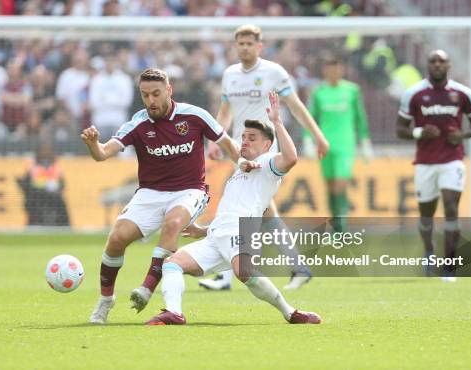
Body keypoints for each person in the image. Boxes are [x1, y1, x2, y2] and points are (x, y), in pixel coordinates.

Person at [81, 68, 240, 324]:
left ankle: (146, 288)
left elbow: (228, 144)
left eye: (156, 94)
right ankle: (105, 300)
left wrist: (245, 166)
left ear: (169, 90)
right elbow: (102, 154)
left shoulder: (195, 116)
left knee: (174, 223)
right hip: (150, 193)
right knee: (116, 239)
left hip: (190, 190)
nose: (151, 101)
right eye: (145, 95)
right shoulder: (139, 123)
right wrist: (92, 144)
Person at [146, 92, 321, 325]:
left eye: (252, 138)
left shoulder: (268, 164)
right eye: (243, 136)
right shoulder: (240, 170)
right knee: (172, 264)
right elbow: (229, 214)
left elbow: (290, 158)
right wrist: (204, 230)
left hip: (241, 232)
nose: (245, 141)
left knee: (243, 272)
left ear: (267, 145)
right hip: (217, 236)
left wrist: (277, 121)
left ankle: (291, 313)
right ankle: (174, 313)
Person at [201, 24, 329, 291]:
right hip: (239, 150)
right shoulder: (230, 75)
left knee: (240, 206)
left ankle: (228, 275)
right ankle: (298, 268)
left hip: (266, 152)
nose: (245, 47)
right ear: (235, 46)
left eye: (250, 43)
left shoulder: (273, 72)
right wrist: (217, 139)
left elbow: (296, 107)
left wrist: (318, 136)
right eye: (241, 43)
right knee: (263, 211)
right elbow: (225, 111)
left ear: (259, 46)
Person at [396, 50, 471, 282]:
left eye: (441, 61)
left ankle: (449, 267)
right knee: (426, 214)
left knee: (452, 208)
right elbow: (400, 129)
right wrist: (419, 132)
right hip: (424, 163)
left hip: (452, 160)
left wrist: (462, 135)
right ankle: (428, 251)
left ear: (449, 65)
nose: (437, 64)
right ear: (427, 65)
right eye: (433, 61)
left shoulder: (463, 94)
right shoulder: (414, 94)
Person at [304, 54, 373, 232]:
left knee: (340, 183)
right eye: (329, 67)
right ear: (325, 70)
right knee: (329, 185)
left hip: (345, 144)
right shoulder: (319, 92)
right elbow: (311, 118)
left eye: (336, 67)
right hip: (325, 145)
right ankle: (335, 226)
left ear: (341, 69)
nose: (333, 71)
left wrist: (365, 142)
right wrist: (307, 140)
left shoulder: (352, 90)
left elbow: (360, 117)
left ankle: (341, 228)